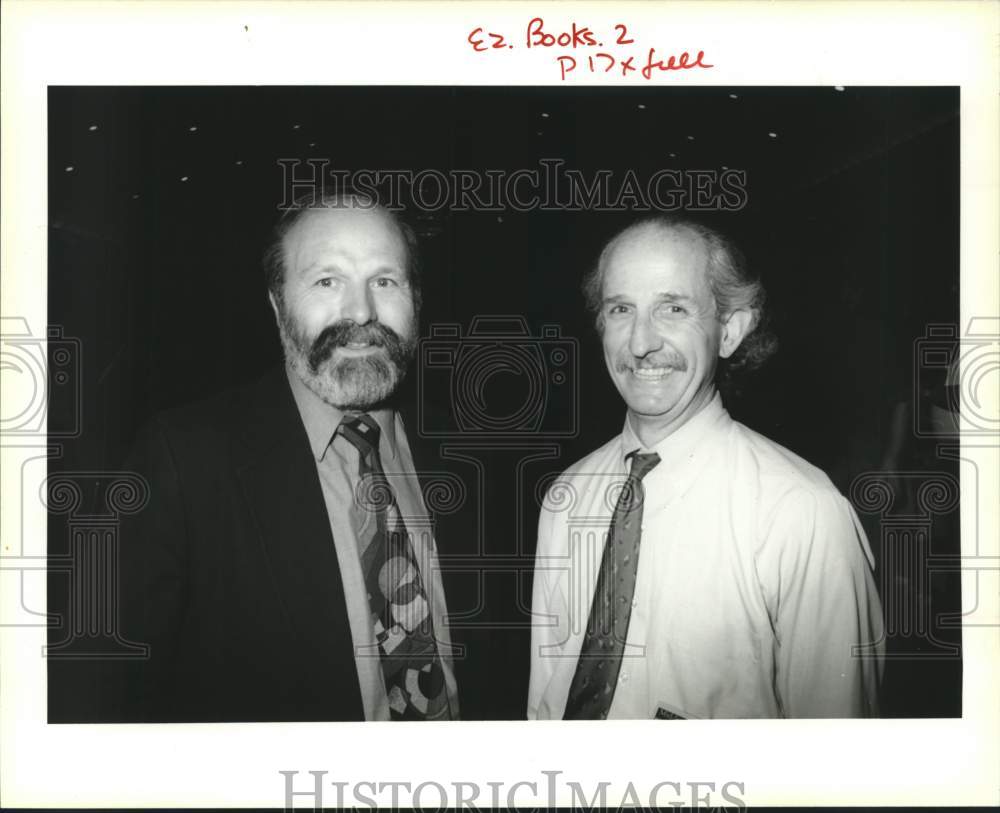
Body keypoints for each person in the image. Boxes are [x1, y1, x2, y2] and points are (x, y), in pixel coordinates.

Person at [103, 193, 459, 721]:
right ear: (277, 303)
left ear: (417, 299)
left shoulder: (464, 452)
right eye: (326, 281)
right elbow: (117, 702)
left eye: (385, 281)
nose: (361, 311)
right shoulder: (184, 461)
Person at [527, 217, 884, 720]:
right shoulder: (567, 496)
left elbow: (834, 760)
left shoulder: (801, 513)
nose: (640, 343)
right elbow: (543, 706)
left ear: (730, 331)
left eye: (673, 309)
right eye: (621, 309)